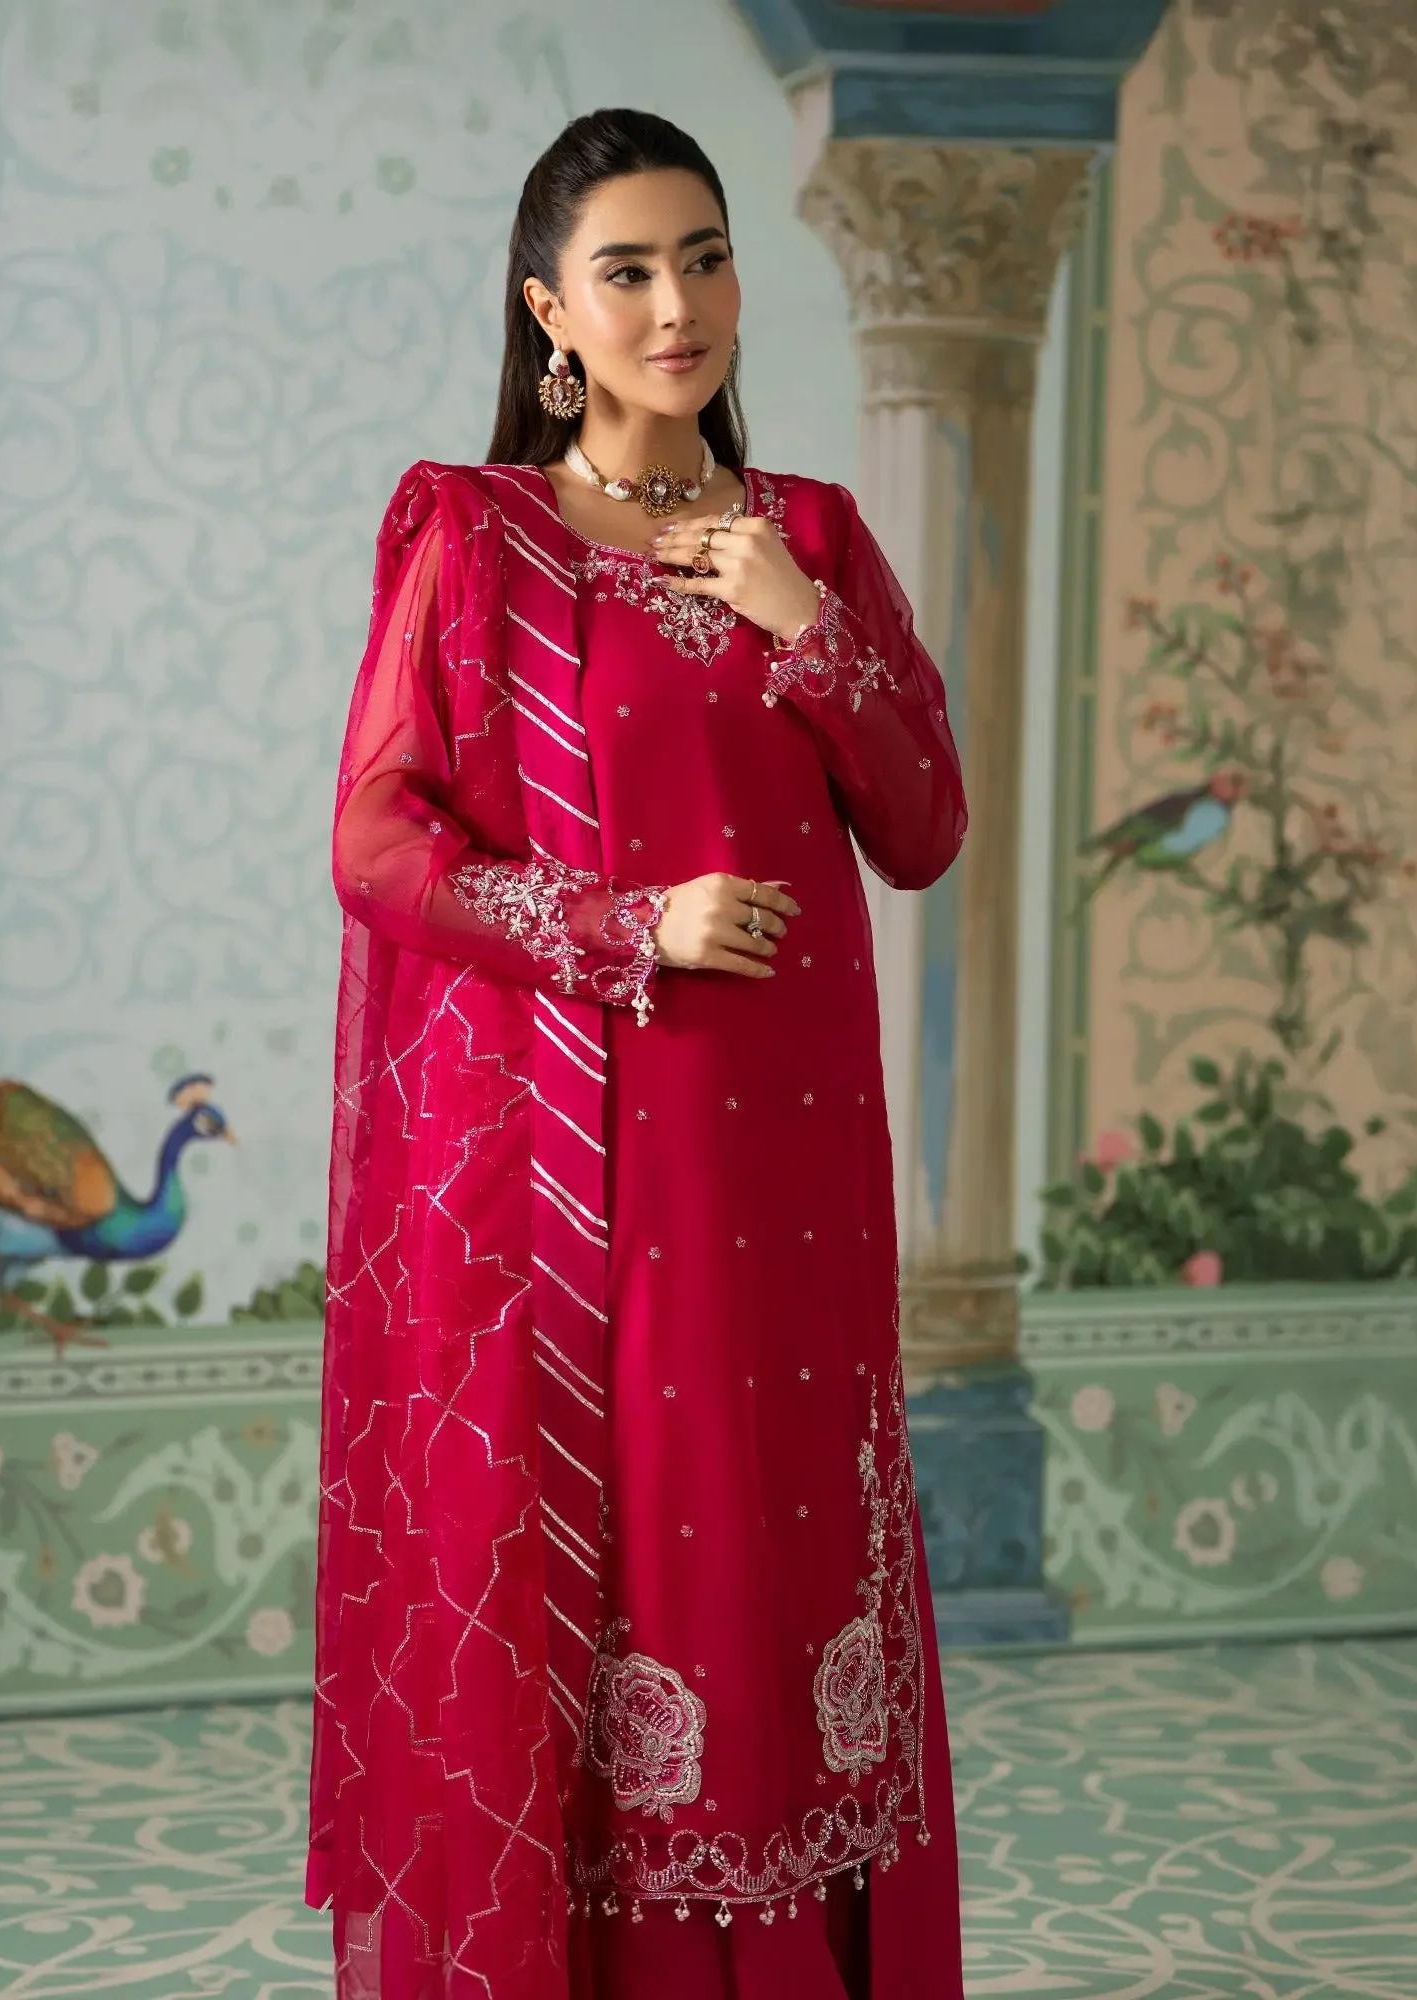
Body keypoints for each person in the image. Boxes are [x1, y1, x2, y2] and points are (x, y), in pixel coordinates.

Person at [308, 106, 968, 2000]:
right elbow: (378, 845)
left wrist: (803, 626)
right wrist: (626, 927)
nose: (677, 306)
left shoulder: (811, 538)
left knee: (781, 1557)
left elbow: (924, 827)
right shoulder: (478, 537)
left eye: (705, 258)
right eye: (627, 271)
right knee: (621, 1568)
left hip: (792, 1181)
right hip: (581, 1180)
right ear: (549, 313)